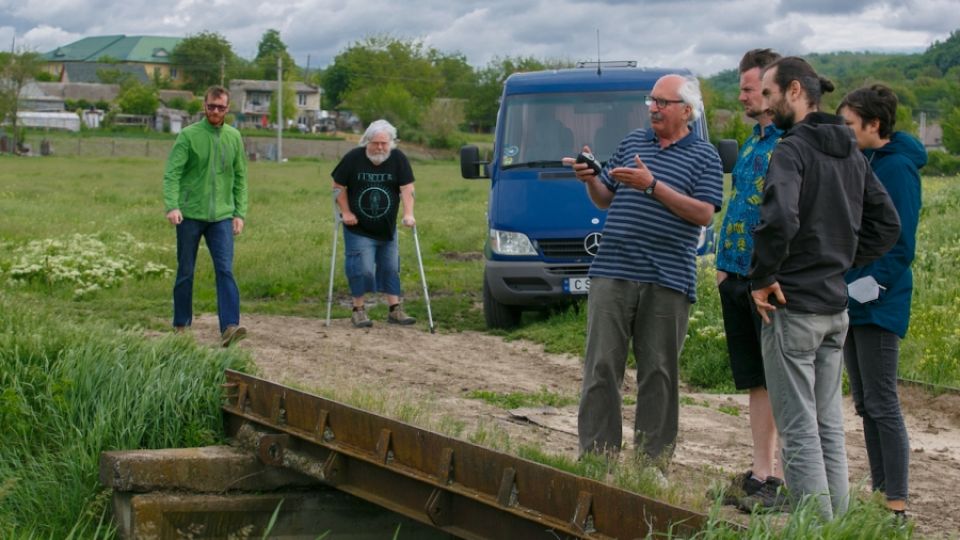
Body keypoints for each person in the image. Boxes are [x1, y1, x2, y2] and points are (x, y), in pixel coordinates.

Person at [748, 57, 901, 519]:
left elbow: (779, 217)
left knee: (798, 430)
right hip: (835, 307)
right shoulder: (851, 151)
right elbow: (885, 224)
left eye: (769, 95)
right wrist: (838, 262)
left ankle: (815, 528)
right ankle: (835, 526)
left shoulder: (792, 150)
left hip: (793, 307)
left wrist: (763, 277)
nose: (766, 108)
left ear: (795, 91)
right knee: (828, 426)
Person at [565, 74, 724, 466]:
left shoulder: (705, 156)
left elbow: (703, 213)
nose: (652, 108)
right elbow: (606, 198)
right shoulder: (632, 143)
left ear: (686, 110)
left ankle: (652, 465)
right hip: (613, 269)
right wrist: (588, 179)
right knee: (601, 366)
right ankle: (597, 458)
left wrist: (653, 186)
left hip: (667, 278)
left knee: (659, 375)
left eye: (662, 103)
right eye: (650, 101)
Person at [837, 84, 926, 518]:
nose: (844, 131)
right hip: (852, 296)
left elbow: (901, 242)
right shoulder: (863, 159)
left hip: (879, 300)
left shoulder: (899, 169)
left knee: (883, 400)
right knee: (865, 402)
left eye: (850, 124)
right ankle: (879, 492)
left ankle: (896, 504)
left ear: (874, 125)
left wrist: (870, 285)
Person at [714, 48, 785, 509]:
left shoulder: (789, 142)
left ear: (773, 88)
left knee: (779, 378)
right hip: (735, 275)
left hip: (767, 279)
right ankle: (761, 472)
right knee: (755, 379)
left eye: (748, 87)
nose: (740, 96)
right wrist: (723, 267)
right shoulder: (753, 141)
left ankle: (778, 476)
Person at [162, 85, 249, 347]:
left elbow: (241, 178)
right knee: (186, 270)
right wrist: (172, 206)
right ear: (204, 106)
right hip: (189, 214)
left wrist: (239, 212)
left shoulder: (234, 137)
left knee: (225, 269)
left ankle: (230, 326)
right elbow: (172, 174)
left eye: (220, 107)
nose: (215, 111)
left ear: (227, 109)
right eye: (211, 106)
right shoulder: (188, 136)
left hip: (222, 216)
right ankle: (181, 324)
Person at [331, 119, 417, 328]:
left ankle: (395, 309)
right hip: (358, 227)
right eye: (375, 143)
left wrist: (408, 213)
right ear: (366, 141)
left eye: (384, 143)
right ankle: (358, 310)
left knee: (390, 267)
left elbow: (407, 187)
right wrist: (346, 211)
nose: (379, 148)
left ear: (391, 144)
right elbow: (338, 185)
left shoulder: (398, 159)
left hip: (387, 228)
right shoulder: (353, 158)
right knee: (362, 269)